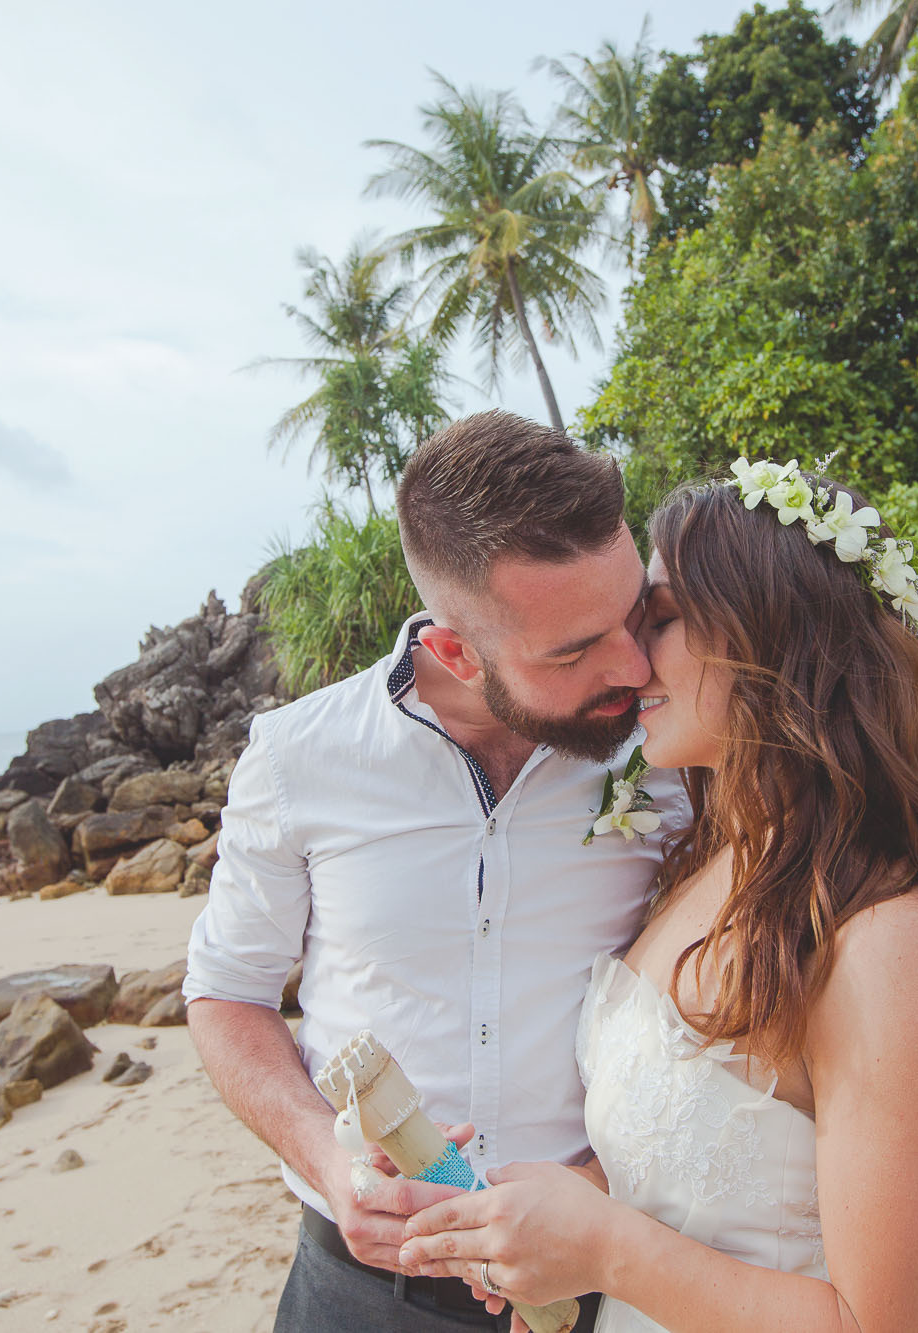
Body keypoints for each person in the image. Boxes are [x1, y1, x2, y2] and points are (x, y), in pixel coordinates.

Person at [397, 462, 918, 1332]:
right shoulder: (704, 862)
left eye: (664, 616)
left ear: (773, 632)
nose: (632, 657)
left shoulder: (883, 947)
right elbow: (681, 1177)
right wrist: (555, 1212)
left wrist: (608, 1248)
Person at [182, 410, 685, 1332]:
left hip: (621, 1282)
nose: (632, 663)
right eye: (574, 650)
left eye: (635, 615)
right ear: (452, 649)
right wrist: (325, 1157)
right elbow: (226, 992)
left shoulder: (674, 740)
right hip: (362, 1294)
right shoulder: (299, 759)